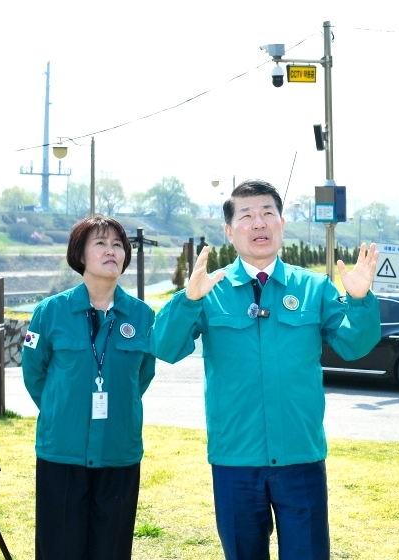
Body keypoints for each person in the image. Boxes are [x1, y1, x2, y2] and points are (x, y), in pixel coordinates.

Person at [151, 179, 380, 560]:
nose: (259, 223)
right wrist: (188, 300)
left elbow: (355, 345)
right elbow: (165, 347)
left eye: (267, 213)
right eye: (247, 215)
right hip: (235, 460)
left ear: (282, 223)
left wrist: (359, 299)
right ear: (229, 230)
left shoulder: (313, 287)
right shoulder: (211, 289)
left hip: (300, 458)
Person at [22, 215, 156, 560]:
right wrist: (62, 408)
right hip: (62, 450)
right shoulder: (50, 312)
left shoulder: (142, 316)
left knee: (111, 549)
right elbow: (34, 372)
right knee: (59, 550)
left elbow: (142, 375)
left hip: (119, 450)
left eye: (117, 245)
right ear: (80, 255)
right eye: (100, 243)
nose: (111, 250)